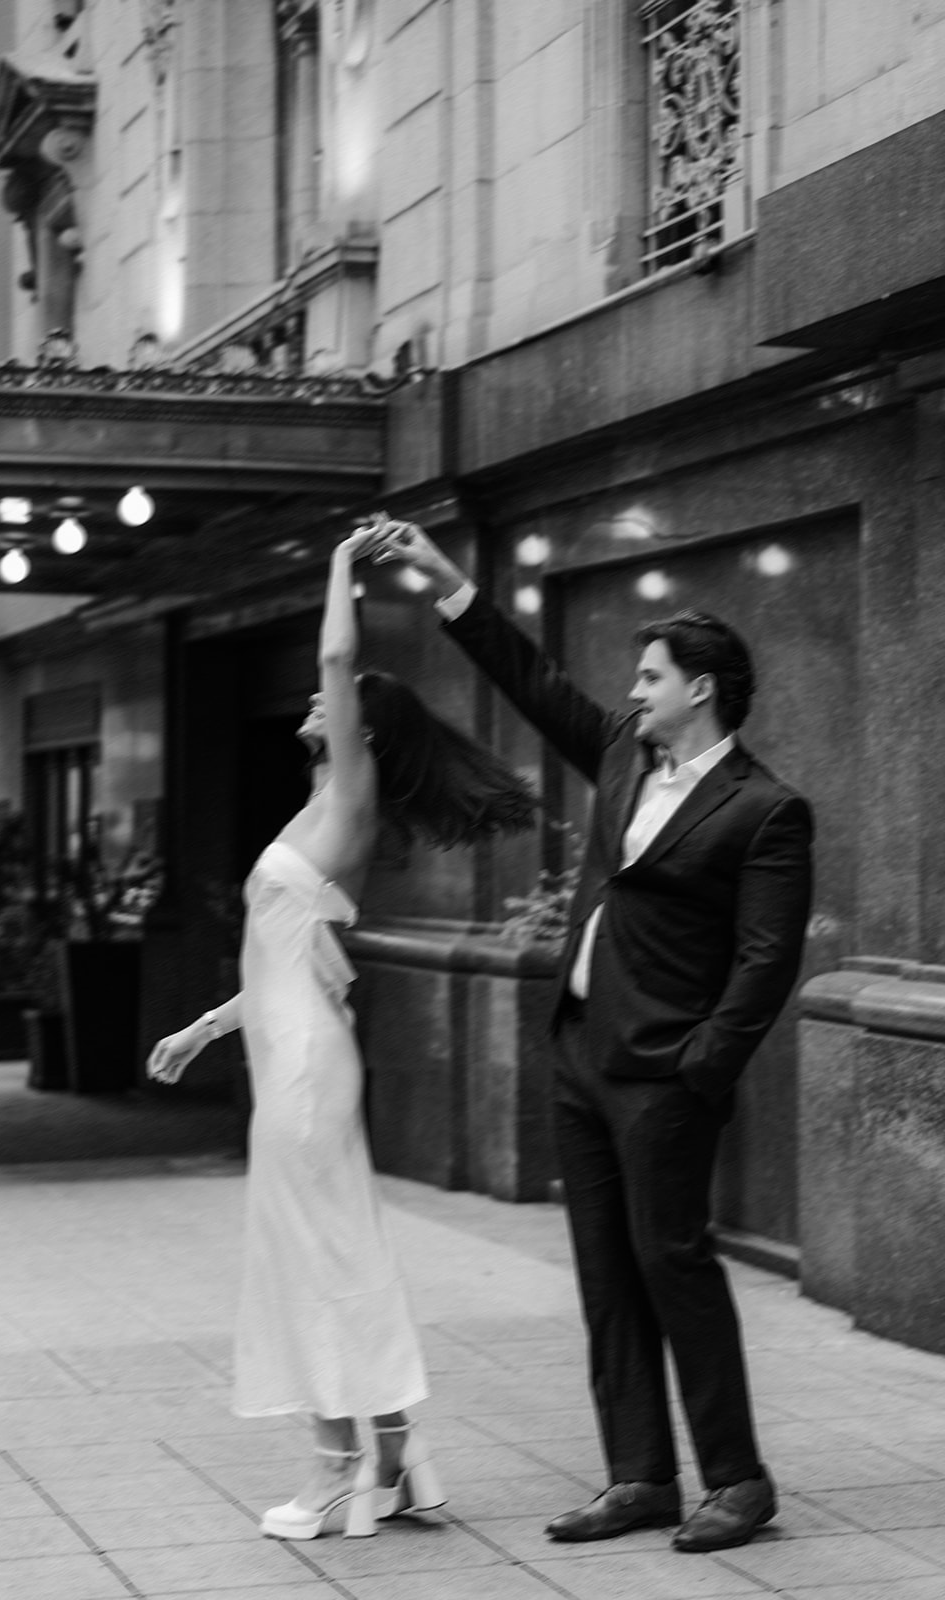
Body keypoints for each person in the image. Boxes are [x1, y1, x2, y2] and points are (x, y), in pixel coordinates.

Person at [372, 518, 814, 1555]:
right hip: (577, 1055)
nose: (632, 690)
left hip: (663, 1075)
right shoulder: (622, 753)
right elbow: (532, 680)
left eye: (650, 675)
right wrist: (443, 578)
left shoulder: (765, 809)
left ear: (699, 688)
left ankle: (737, 1480)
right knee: (605, 1278)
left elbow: (765, 960)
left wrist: (700, 1068)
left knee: (673, 1265)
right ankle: (640, 1476)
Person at [146, 524, 535, 1543]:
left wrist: (335, 566)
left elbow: (331, 653)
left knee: (309, 1257)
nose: (322, 698)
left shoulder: (350, 797)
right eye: (331, 696)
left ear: (367, 731)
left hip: (307, 1071)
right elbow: (280, 965)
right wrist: (203, 1027)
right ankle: (395, 1452)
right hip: (294, 1054)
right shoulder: (318, 806)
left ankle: (335, 1468)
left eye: (343, 698)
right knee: (330, 1249)